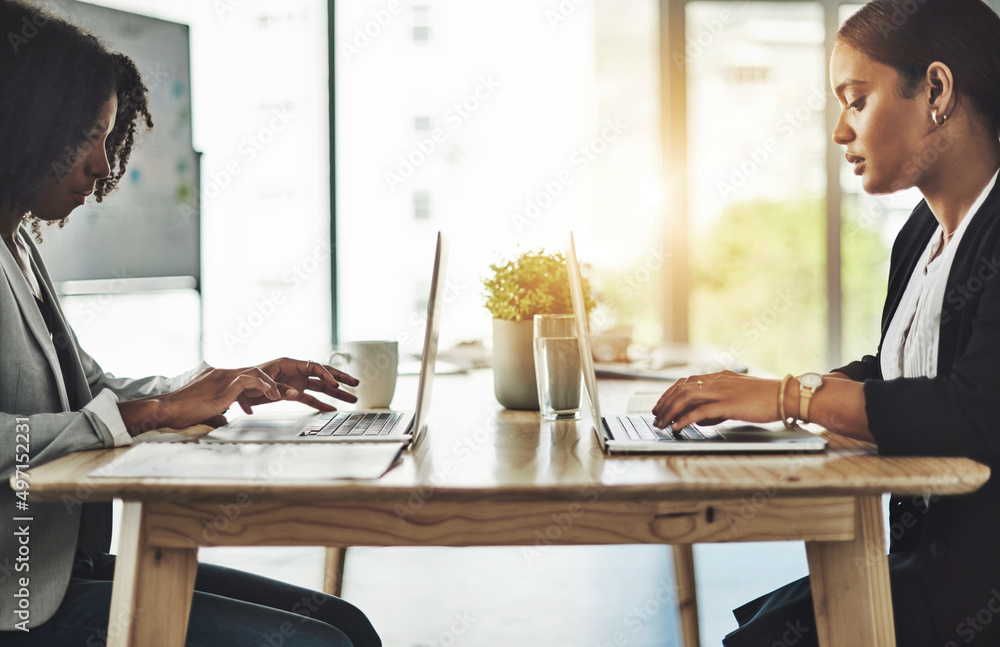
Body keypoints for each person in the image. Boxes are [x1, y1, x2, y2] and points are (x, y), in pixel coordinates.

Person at [0, 1, 381, 644]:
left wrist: (222, 381)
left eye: (106, 138)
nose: (101, 165)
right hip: (19, 600)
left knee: (343, 622)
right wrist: (149, 416)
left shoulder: (20, 247)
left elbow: (92, 388)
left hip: (66, 567)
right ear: (25, 120)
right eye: (86, 136)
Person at [652, 0, 1000, 644]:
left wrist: (795, 397)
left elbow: (973, 410)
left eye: (856, 99)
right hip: (920, 560)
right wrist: (777, 399)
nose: (840, 131)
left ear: (937, 90)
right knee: (759, 623)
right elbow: (901, 372)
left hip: (975, 590)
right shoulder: (921, 234)